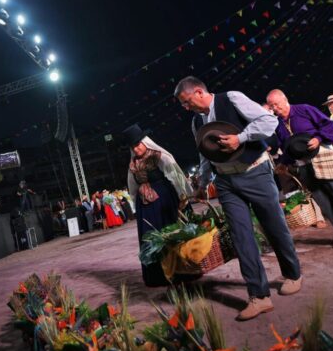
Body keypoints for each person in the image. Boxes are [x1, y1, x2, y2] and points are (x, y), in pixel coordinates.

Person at [174, 76, 301, 321]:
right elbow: (205, 154)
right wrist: (203, 181)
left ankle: (293, 274)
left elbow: (268, 121)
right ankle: (259, 296)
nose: (185, 107)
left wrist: (240, 138)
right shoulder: (196, 122)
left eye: (186, 101)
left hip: (255, 171)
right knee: (241, 237)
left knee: (274, 227)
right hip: (226, 181)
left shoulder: (231, 98)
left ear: (199, 92)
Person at [266, 89, 333, 248]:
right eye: (271, 106)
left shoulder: (304, 109)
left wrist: (318, 138)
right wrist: (284, 163)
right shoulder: (278, 124)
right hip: (303, 166)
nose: (274, 108)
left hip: (323, 157)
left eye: (276, 104)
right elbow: (286, 146)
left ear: (285, 100)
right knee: (324, 202)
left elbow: (329, 125)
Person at [124, 123, 192, 287]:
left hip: (164, 199)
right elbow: (132, 186)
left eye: (138, 144)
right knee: (150, 237)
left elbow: (175, 176)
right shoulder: (132, 164)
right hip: (145, 206)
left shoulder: (159, 156)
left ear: (145, 142)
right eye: (133, 146)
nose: (136, 149)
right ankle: (156, 276)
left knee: (169, 233)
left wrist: (183, 197)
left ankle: (179, 272)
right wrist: (136, 203)